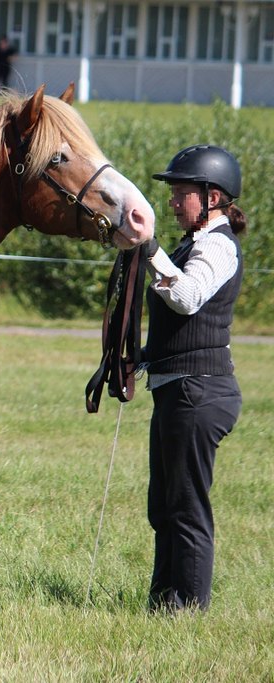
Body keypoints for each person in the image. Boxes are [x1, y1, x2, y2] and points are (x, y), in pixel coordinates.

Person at [142, 145, 247, 613]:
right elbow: (180, 325)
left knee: (185, 507)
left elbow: (187, 299)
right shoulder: (194, 243)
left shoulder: (217, 245)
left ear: (212, 197)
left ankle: (185, 610)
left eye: (180, 193)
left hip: (198, 391)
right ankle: (163, 603)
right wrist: (143, 357)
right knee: (164, 506)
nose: (171, 201)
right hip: (180, 387)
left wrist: (150, 251)